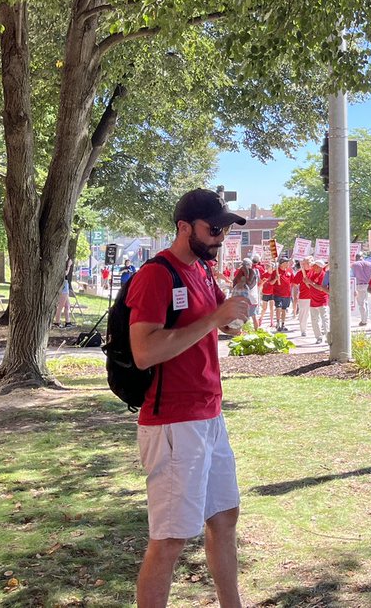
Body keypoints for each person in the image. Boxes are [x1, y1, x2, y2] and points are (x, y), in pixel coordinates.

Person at [127, 188, 251, 608]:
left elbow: (218, 324)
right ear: (184, 227)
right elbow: (144, 352)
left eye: (225, 231)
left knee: (224, 518)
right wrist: (216, 318)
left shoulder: (201, 271)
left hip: (209, 415)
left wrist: (233, 315)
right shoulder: (157, 274)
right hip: (173, 422)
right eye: (214, 229)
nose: (220, 237)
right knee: (171, 539)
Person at [232, 258, 261, 331]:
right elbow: (235, 283)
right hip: (246, 298)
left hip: (249, 299)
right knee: (243, 316)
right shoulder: (242, 273)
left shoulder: (251, 273)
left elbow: (248, 284)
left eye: (244, 266)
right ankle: (241, 332)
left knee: (252, 316)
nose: (242, 267)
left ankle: (255, 332)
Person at [350, 251, 371, 327]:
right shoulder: (369, 264)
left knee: (361, 303)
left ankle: (364, 320)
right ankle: (366, 318)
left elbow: (351, 276)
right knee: (366, 301)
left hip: (359, 285)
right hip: (368, 285)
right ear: (362, 257)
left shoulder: (354, 265)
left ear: (356, 258)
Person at [273, 259, 293, 329]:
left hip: (287, 294)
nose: (288, 264)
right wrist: (276, 278)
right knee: (278, 308)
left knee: (284, 309)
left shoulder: (289, 271)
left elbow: (293, 281)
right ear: (282, 264)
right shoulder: (276, 272)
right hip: (278, 294)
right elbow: (271, 283)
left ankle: (283, 324)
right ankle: (278, 323)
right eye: (286, 262)